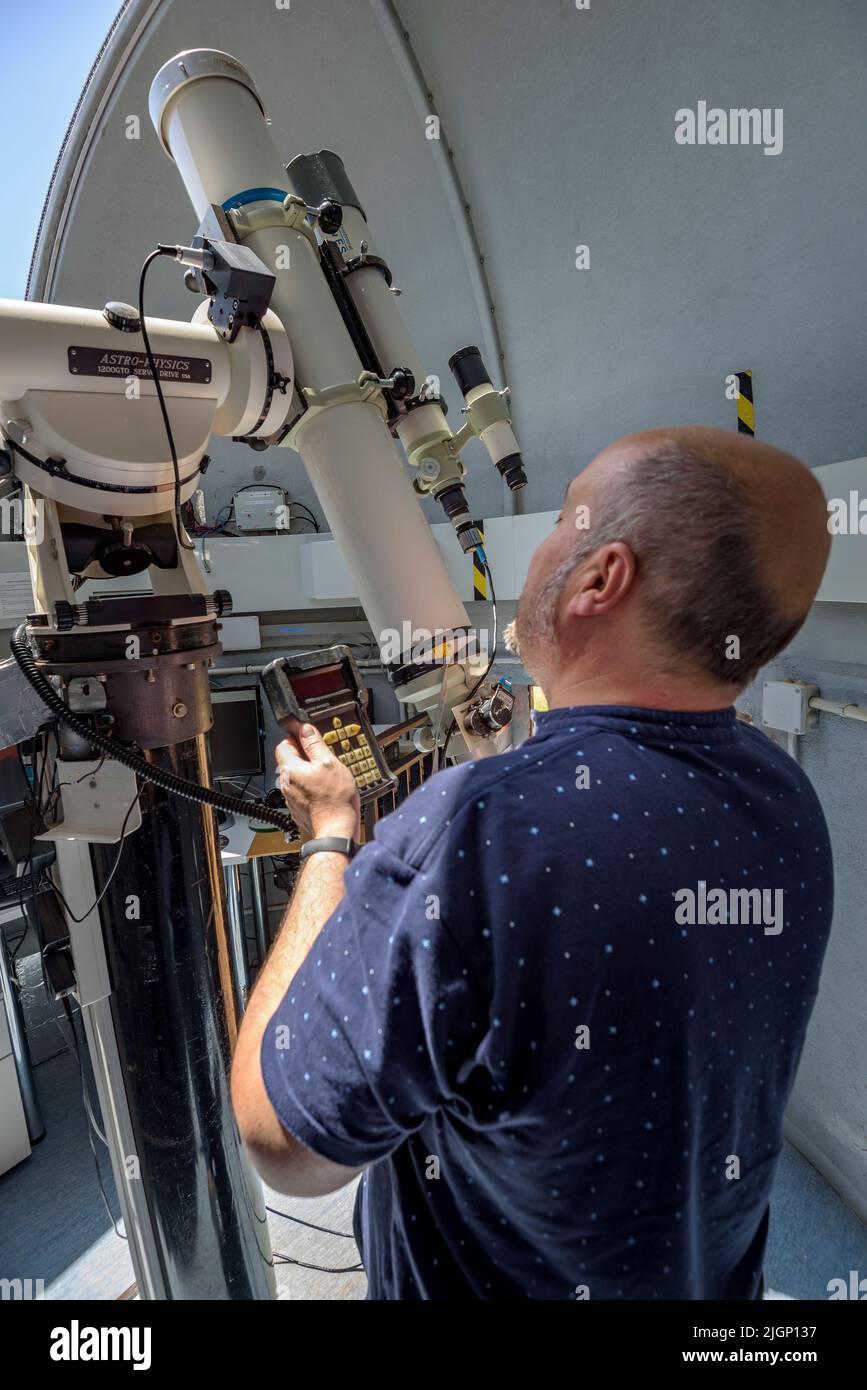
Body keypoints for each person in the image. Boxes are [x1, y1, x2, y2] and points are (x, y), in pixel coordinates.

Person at [231, 425, 833, 1300]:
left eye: (563, 519)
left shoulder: (477, 827)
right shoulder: (782, 797)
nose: (543, 542)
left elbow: (281, 1144)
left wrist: (330, 838)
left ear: (599, 578)